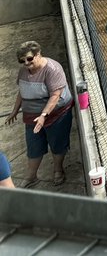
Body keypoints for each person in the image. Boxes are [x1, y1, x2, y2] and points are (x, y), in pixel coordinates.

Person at [6, 41, 75, 188]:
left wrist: (44, 115)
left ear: (38, 54)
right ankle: (31, 176)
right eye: (22, 61)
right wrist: (15, 110)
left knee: (57, 143)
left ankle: (58, 170)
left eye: (29, 59)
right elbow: (22, 91)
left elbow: (56, 95)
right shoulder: (24, 71)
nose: (26, 63)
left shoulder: (52, 69)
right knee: (33, 145)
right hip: (32, 115)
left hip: (56, 113)